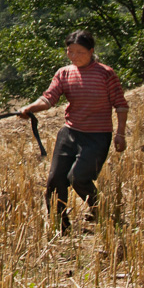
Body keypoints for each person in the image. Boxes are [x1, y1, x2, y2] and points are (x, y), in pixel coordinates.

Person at [18, 30, 128, 234]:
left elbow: (120, 104)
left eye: (80, 52)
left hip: (97, 136)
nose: (74, 56)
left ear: (91, 51)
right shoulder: (64, 73)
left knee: (79, 178)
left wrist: (120, 133)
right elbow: (48, 98)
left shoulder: (106, 73)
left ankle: (100, 211)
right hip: (69, 134)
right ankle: (61, 227)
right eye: (71, 52)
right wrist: (30, 108)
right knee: (54, 182)